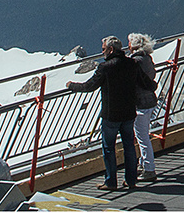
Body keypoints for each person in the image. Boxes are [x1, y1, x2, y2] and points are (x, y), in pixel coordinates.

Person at [67, 36, 157, 190]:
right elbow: (147, 84)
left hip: (111, 114)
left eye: (103, 49)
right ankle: (131, 179)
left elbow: (90, 86)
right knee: (129, 145)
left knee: (109, 147)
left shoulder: (105, 67)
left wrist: (72, 86)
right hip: (129, 112)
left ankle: (110, 182)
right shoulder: (132, 63)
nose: (102, 52)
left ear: (110, 50)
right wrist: (153, 85)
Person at [127, 33, 160, 183]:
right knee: (144, 134)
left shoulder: (135, 61)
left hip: (139, 103)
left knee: (142, 137)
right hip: (149, 101)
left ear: (132, 46)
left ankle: (149, 168)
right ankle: (144, 164)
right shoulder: (147, 58)